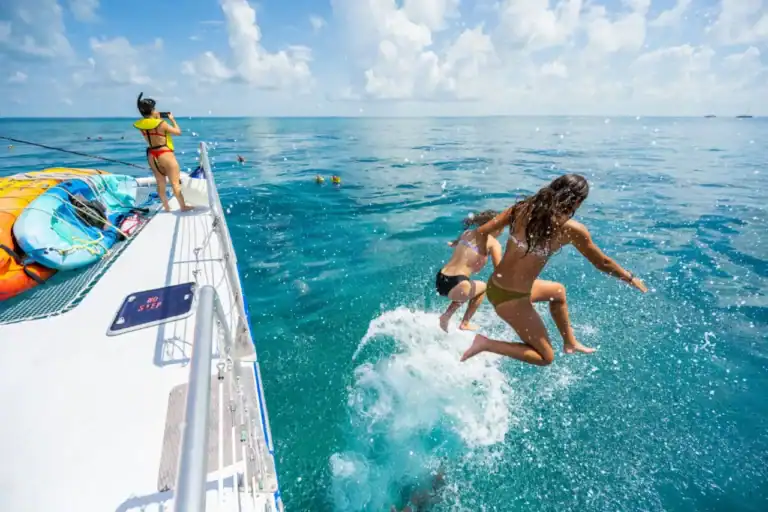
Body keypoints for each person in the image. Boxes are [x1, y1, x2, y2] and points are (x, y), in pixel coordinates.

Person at [460, 174, 648, 365]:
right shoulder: (571, 229)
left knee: (558, 292)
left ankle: (570, 342)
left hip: (496, 285)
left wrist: (481, 254)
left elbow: (482, 231)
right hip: (511, 299)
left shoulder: (521, 209)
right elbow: (603, 263)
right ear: (575, 201)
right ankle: (485, 343)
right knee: (545, 357)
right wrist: (630, 278)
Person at [436, 210, 503, 332]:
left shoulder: (467, 233)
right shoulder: (494, 243)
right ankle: (464, 323)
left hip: (441, 279)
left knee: (467, 288)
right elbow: (500, 271)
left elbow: (454, 244)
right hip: (457, 284)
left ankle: (446, 317)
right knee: (482, 288)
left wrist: (454, 244)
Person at [133, 93, 192, 212]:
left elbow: (150, 125)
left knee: (160, 182)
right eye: (155, 108)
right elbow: (177, 132)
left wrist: (156, 118)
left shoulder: (141, 125)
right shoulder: (161, 123)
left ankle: (166, 207)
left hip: (151, 155)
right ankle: (183, 206)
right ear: (152, 110)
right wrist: (172, 120)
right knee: (175, 182)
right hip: (164, 153)